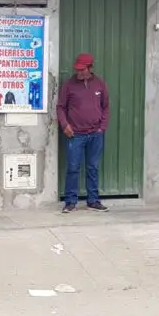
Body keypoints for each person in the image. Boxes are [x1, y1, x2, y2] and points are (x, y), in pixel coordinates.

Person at [57, 52, 110, 213]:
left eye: (82, 70)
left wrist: (102, 127)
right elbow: (60, 107)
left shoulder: (100, 84)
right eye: (77, 69)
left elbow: (106, 107)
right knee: (73, 167)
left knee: (93, 167)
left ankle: (93, 201)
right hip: (76, 135)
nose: (79, 73)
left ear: (90, 68)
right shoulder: (69, 85)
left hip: (96, 134)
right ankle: (70, 202)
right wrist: (65, 125)